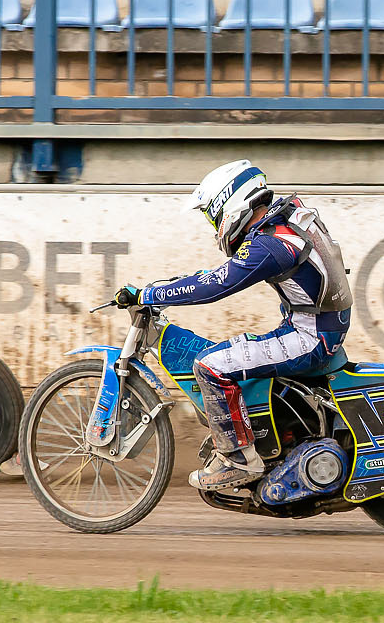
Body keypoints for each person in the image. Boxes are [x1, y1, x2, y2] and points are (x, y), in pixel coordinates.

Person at [114, 161, 353, 492]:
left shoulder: (270, 245)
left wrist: (148, 294)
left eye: (213, 218)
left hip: (309, 338)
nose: (215, 228)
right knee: (233, 355)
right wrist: (171, 287)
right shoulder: (286, 221)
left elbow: (216, 285)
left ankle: (238, 458)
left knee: (210, 365)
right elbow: (219, 276)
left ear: (230, 205)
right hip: (317, 329)